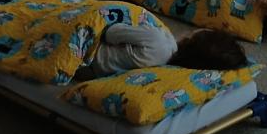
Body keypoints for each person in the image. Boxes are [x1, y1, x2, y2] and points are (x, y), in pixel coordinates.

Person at [72, 25, 247, 81]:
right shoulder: (168, 67)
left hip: (84, 55)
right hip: (94, 74)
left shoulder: (158, 39)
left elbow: (110, 32)